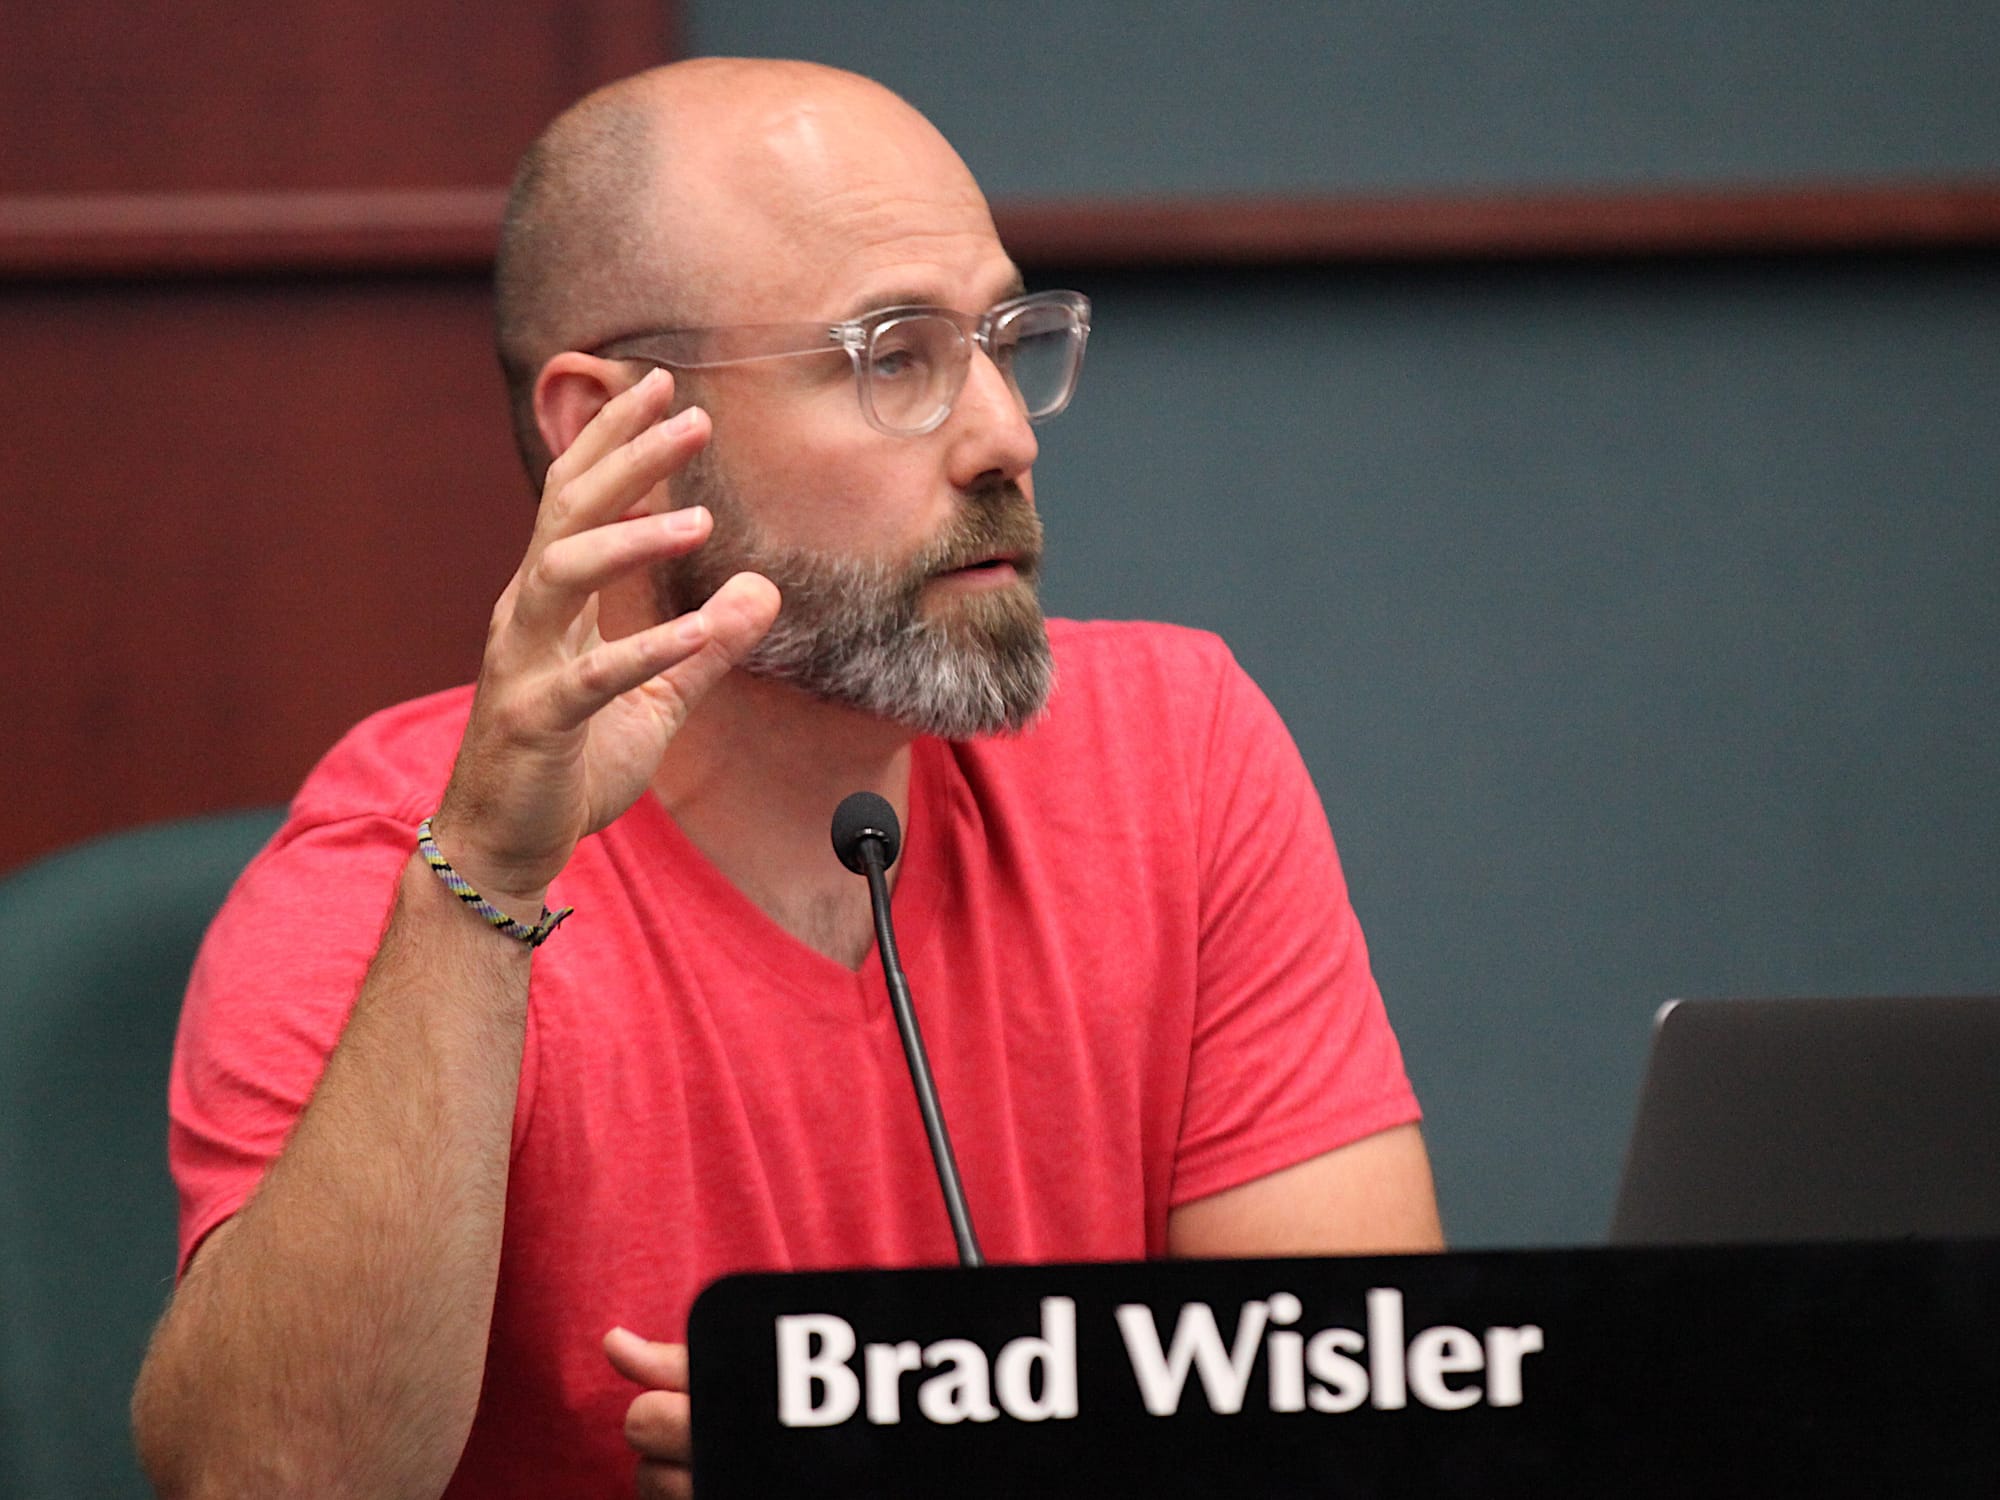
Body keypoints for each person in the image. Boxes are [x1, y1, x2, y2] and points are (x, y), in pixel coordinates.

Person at [131, 57, 1442, 1500]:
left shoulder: (1171, 750)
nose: (1006, 433)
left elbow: (1367, 1420)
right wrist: (487, 887)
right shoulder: (393, 869)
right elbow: (266, 1484)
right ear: (614, 433)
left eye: (1003, 336)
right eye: (893, 356)